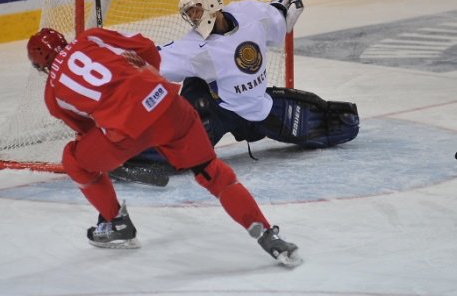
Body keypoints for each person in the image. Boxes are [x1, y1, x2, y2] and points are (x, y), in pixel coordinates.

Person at [27, 26, 303, 267]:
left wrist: (113, 151)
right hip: (168, 105)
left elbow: (86, 130)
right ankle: (267, 234)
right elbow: (146, 47)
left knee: (74, 160)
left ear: (41, 67)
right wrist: (148, 83)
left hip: (126, 132)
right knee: (211, 171)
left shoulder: (53, 95)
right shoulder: (91, 37)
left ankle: (116, 222)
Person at [119, 0, 359, 178]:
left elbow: (285, 13)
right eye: (189, 14)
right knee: (180, 153)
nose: (194, 17)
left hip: (258, 107)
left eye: (196, 9)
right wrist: (114, 58)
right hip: (216, 111)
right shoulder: (195, 47)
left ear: (211, 1)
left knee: (344, 123)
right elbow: (153, 60)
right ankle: (122, 153)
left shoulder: (251, 13)